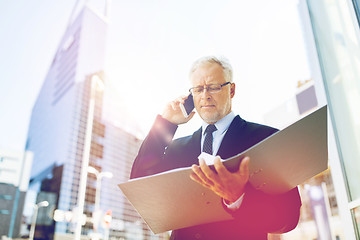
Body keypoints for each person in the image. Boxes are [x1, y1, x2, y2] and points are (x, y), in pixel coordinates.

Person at [130, 56, 301, 240]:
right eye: (198, 89)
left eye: (213, 87)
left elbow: (289, 218)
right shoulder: (177, 148)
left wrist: (240, 197)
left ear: (232, 90)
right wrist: (164, 123)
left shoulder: (267, 139)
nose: (205, 95)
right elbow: (139, 184)